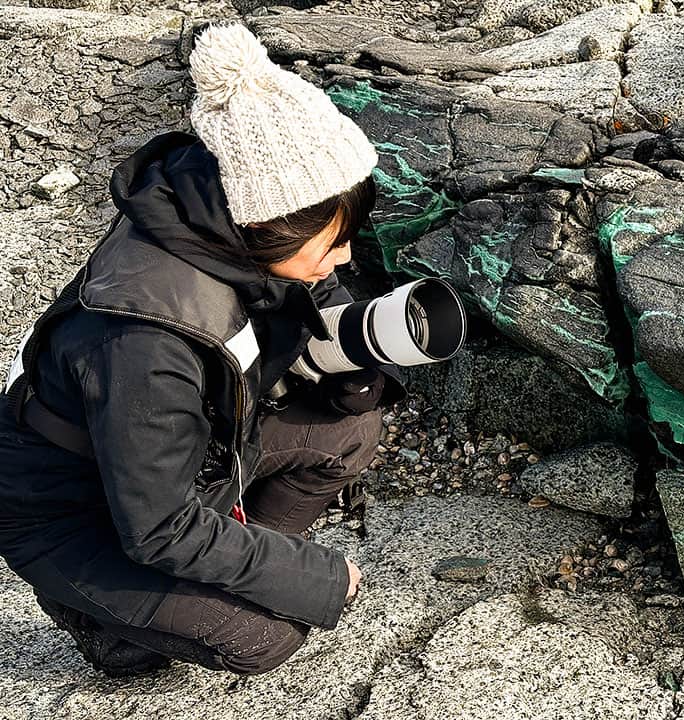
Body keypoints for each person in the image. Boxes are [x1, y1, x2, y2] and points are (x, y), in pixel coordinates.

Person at [0, 23, 405, 676]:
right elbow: (159, 525)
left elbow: (282, 311)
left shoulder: (208, 213)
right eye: (331, 242)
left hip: (178, 454)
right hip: (74, 510)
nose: (345, 256)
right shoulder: (145, 340)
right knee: (266, 637)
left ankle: (224, 570)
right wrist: (317, 576)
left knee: (350, 429)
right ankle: (99, 618)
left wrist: (345, 365)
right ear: (261, 225)